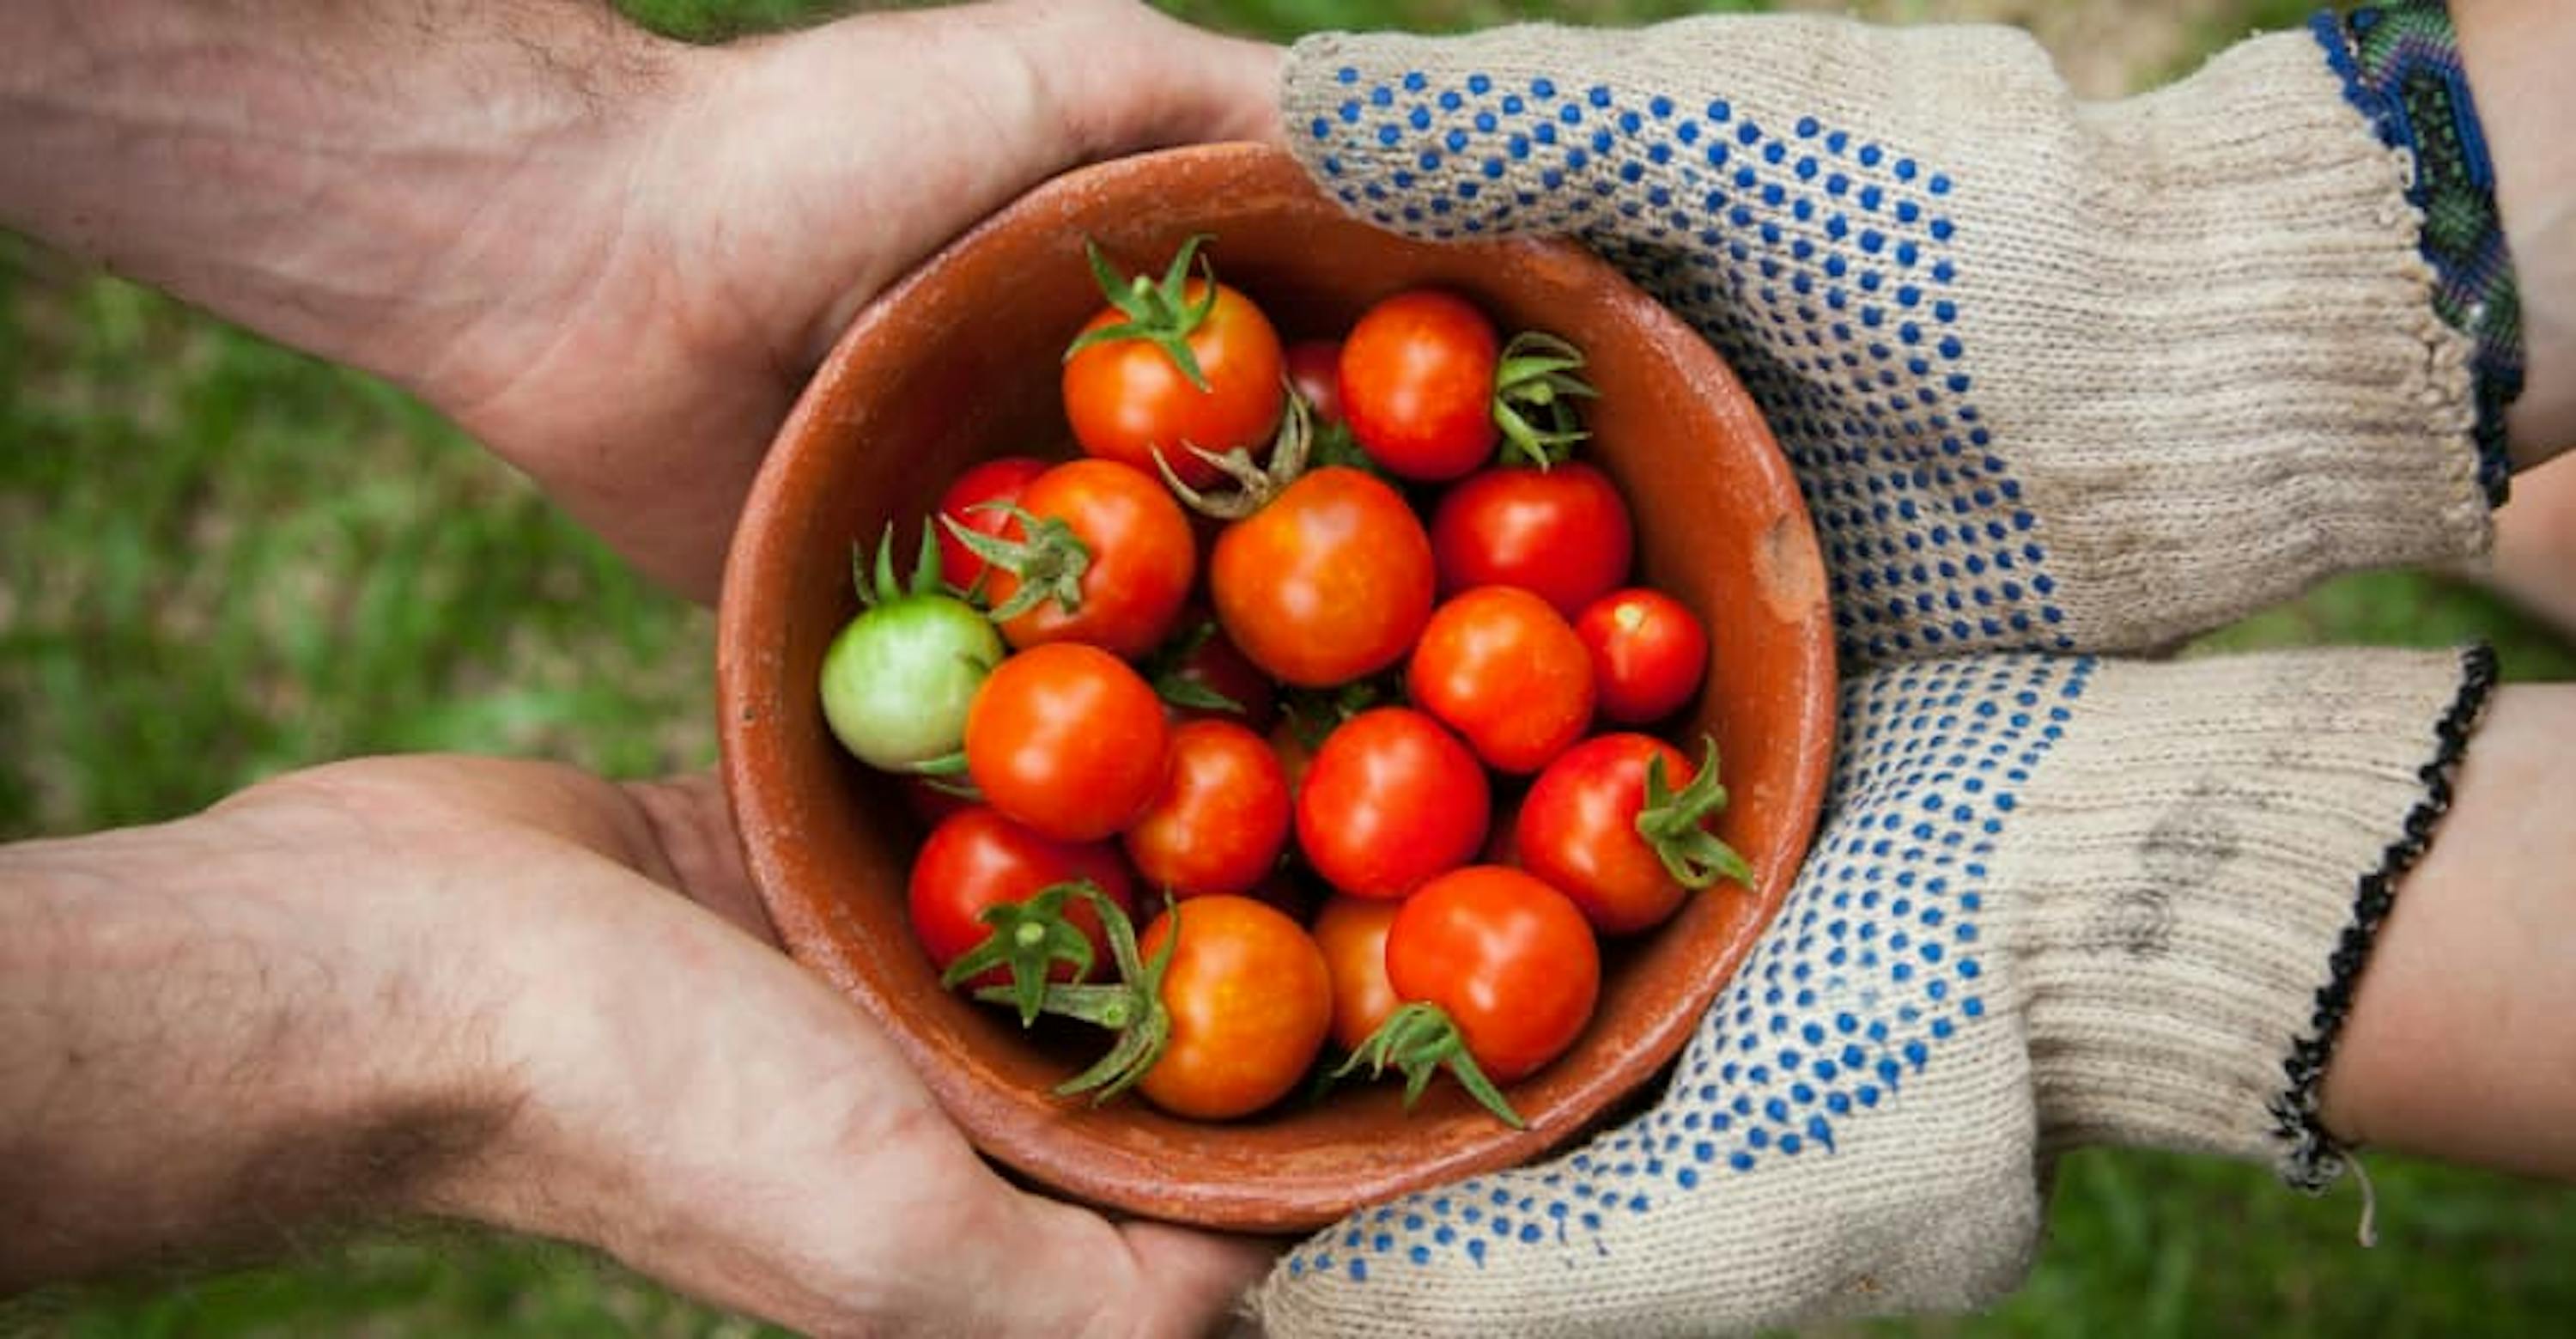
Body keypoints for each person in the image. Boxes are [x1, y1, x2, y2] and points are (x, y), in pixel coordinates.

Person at [3, 2, 2571, 1337]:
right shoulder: (1203, 707)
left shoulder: (1213, 623)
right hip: (1426, 806)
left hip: (1442, 770)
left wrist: (2219, 278)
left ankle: (2441, 426)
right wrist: (418, 1013)